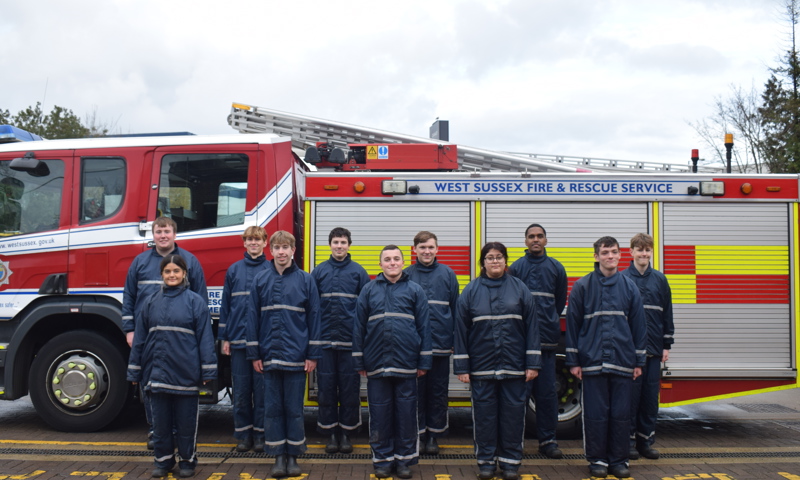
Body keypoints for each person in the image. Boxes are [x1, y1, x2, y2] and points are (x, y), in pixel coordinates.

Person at [454, 242, 541, 480]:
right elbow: (460, 330)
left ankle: (511, 463)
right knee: (484, 418)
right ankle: (486, 463)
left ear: (505, 261)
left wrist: (532, 364)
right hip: (482, 368)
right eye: (490, 258)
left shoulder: (520, 289)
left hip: (514, 368)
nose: (495, 262)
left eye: (499, 257)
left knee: (513, 416)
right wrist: (462, 366)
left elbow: (532, 327)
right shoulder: (470, 291)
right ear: (483, 262)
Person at [127, 255, 217, 479]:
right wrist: (135, 370)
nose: (172, 275)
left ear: (184, 274)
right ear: (162, 275)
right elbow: (139, 339)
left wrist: (207, 370)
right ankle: (163, 461)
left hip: (186, 373)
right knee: (160, 424)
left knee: (186, 424)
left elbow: (206, 339)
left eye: (176, 271)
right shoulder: (150, 302)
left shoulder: (195, 302)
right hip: (156, 373)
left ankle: (187, 461)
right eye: (168, 271)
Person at [122, 216, 208, 449]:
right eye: (158, 231)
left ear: (174, 234)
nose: (163, 235)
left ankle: (178, 432)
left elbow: (201, 300)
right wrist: (130, 330)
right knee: (151, 384)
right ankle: (156, 430)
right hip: (148, 336)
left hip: (181, 339)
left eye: (167, 231)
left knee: (179, 387)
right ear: (153, 235)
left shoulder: (190, 261)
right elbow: (129, 297)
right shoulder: (139, 262)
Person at [565, 236, 646, 479]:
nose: (610, 256)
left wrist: (639, 361)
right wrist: (574, 361)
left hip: (622, 361)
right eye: (605, 252)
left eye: (613, 252)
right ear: (596, 256)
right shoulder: (582, 286)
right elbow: (573, 326)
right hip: (592, 362)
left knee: (621, 415)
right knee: (595, 415)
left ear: (621, 255)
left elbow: (639, 326)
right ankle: (597, 460)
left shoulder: (630, 287)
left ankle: (619, 460)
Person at [246, 230, 321, 478]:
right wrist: (254, 353)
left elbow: (314, 319)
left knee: (294, 409)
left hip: (297, 356)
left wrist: (312, 354)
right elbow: (252, 318)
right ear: (271, 250)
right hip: (268, 356)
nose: (280, 252)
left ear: (292, 251)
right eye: (277, 247)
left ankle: (293, 455)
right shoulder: (260, 280)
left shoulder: (305, 280)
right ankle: (278, 456)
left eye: (285, 247)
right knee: (273, 409)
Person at [353, 245, 431, 479]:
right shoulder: (368, 290)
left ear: (403, 261)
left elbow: (424, 328)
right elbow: (358, 328)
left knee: (406, 415)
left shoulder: (415, 290)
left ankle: (404, 461)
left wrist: (423, 361)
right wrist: (360, 360)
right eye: (387, 259)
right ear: (380, 264)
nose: (392, 263)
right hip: (377, 364)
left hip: (406, 364)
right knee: (380, 414)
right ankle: (383, 460)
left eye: (396, 258)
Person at [508, 223, 567, 459]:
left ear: (546, 240)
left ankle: (548, 441)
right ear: (525, 241)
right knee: (518, 397)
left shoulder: (556, 268)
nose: (535, 240)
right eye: (531, 236)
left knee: (547, 395)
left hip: (547, 344)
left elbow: (559, 303)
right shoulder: (516, 268)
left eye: (539, 236)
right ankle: (514, 442)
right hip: (520, 345)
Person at [311, 227, 371, 454]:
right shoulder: (319, 272)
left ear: (349, 245)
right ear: (329, 245)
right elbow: (312, 310)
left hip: (350, 345)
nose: (339, 246)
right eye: (335, 242)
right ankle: (330, 434)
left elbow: (367, 309)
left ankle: (346, 433)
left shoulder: (358, 272)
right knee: (326, 390)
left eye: (343, 242)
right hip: (325, 343)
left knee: (349, 390)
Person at [404, 231, 459, 455]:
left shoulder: (448, 274)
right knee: (415, 393)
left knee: (438, 392)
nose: (427, 251)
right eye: (422, 247)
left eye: (431, 247)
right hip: (413, 348)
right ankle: (416, 435)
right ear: (414, 250)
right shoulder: (406, 274)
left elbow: (456, 309)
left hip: (441, 345)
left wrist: (455, 339)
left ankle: (433, 436)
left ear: (437, 250)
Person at [622, 233, 674, 461]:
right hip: (630, 352)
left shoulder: (660, 280)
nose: (644, 253)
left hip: (653, 351)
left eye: (648, 250)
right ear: (631, 252)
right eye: (639, 249)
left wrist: (666, 344)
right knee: (630, 399)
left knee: (650, 399)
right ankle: (629, 442)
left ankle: (646, 442)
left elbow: (667, 313)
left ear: (652, 252)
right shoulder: (622, 278)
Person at [218, 226, 271, 453]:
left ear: (265, 243)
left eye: (257, 239)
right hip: (238, 341)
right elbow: (226, 306)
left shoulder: (271, 269)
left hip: (263, 343)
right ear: (244, 243)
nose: (253, 243)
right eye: (249, 239)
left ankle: (260, 435)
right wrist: (224, 337)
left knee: (261, 393)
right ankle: (243, 435)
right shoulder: (234, 270)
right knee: (240, 392)